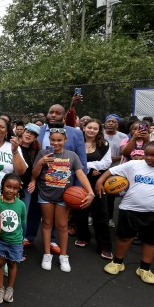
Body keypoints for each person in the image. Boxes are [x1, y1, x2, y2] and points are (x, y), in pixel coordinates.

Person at [97, 141, 154, 285]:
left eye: (153, 155)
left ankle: (144, 268)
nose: (148, 158)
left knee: (150, 241)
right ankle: (118, 262)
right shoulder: (134, 165)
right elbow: (112, 171)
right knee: (125, 238)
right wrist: (99, 182)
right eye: (146, 154)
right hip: (129, 208)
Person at [30, 123, 95, 272]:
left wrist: (90, 192)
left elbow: (80, 174)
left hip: (64, 197)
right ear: (49, 139)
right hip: (45, 194)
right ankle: (47, 254)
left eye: (59, 140)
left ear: (65, 140)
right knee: (46, 223)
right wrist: (40, 162)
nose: (56, 143)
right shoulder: (42, 153)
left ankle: (64, 256)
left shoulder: (71, 156)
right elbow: (34, 175)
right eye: (53, 140)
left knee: (63, 226)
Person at [37, 104, 88, 254]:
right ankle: (31, 237)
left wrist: (79, 187)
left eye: (57, 113)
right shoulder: (38, 130)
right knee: (42, 217)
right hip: (42, 183)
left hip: (65, 185)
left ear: (63, 115)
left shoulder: (75, 133)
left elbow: (81, 165)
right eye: (50, 112)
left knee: (61, 222)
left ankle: (54, 243)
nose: (53, 115)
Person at [72, 119, 113, 259]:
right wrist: (91, 167)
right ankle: (83, 236)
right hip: (79, 179)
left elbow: (107, 162)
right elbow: (73, 159)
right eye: (89, 127)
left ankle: (105, 246)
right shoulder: (77, 142)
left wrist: (91, 167)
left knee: (101, 213)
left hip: (98, 181)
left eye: (95, 128)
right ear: (84, 128)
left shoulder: (104, 144)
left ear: (99, 130)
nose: (91, 130)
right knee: (80, 208)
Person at [0, 173, 26, 304]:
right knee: (0, 263)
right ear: (3, 186)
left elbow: (22, 222)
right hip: (1, 240)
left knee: (12, 263)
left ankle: (10, 288)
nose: (11, 190)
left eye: (14, 188)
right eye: (8, 186)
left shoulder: (21, 205)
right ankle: (0, 288)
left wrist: (22, 240)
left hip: (16, 241)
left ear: (18, 190)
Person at [18, 123, 41, 251]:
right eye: (27, 131)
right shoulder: (13, 146)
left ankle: (19, 244)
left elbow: (35, 171)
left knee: (23, 217)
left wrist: (33, 181)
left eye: (32, 134)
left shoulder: (36, 151)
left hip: (27, 188)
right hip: (11, 187)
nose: (28, 135)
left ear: (35, 137)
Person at [103, 114, 128, 227]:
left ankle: (109, 218)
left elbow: (126, 153)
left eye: (114, 121)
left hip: (115, 168)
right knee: (96, 192)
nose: (111, 123)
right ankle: (91, 216)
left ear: (117, 125)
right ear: (105, 123)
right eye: (109, 121)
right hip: (100, 167)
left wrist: (116, 158)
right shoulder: (100, 134)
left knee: (110, 194)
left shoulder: (123, 136)